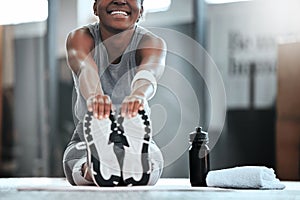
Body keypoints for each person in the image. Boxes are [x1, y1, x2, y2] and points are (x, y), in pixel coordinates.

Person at [62, 0, 166, 187]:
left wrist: (138, 95)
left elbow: (149, 71)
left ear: (141, 10)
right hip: (86, 140)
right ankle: (93, 165)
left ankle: (119, 163)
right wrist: (95, 96)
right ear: (95, 7)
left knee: (153, 162)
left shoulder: (151, 42)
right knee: (73, 162)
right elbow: (86, 68)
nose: (120, 0)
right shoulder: (80, 38)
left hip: (136, 135)